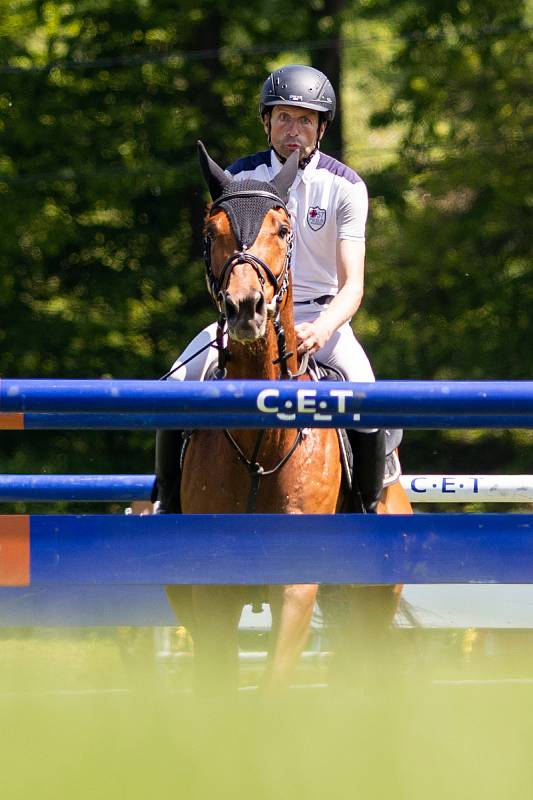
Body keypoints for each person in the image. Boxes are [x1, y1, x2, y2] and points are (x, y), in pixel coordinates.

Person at [153, 64, 385, 514]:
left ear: (321, 127)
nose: (293, 130)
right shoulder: (239, 178)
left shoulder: (346, 186)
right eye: (283, 118)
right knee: (178, 381)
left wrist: (321, 329)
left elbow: (353, 284)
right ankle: (166, 501)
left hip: (322, 319)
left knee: (366, 391)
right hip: (249, 315)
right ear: (266, 122)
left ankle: (368, 507)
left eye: (305, 119)